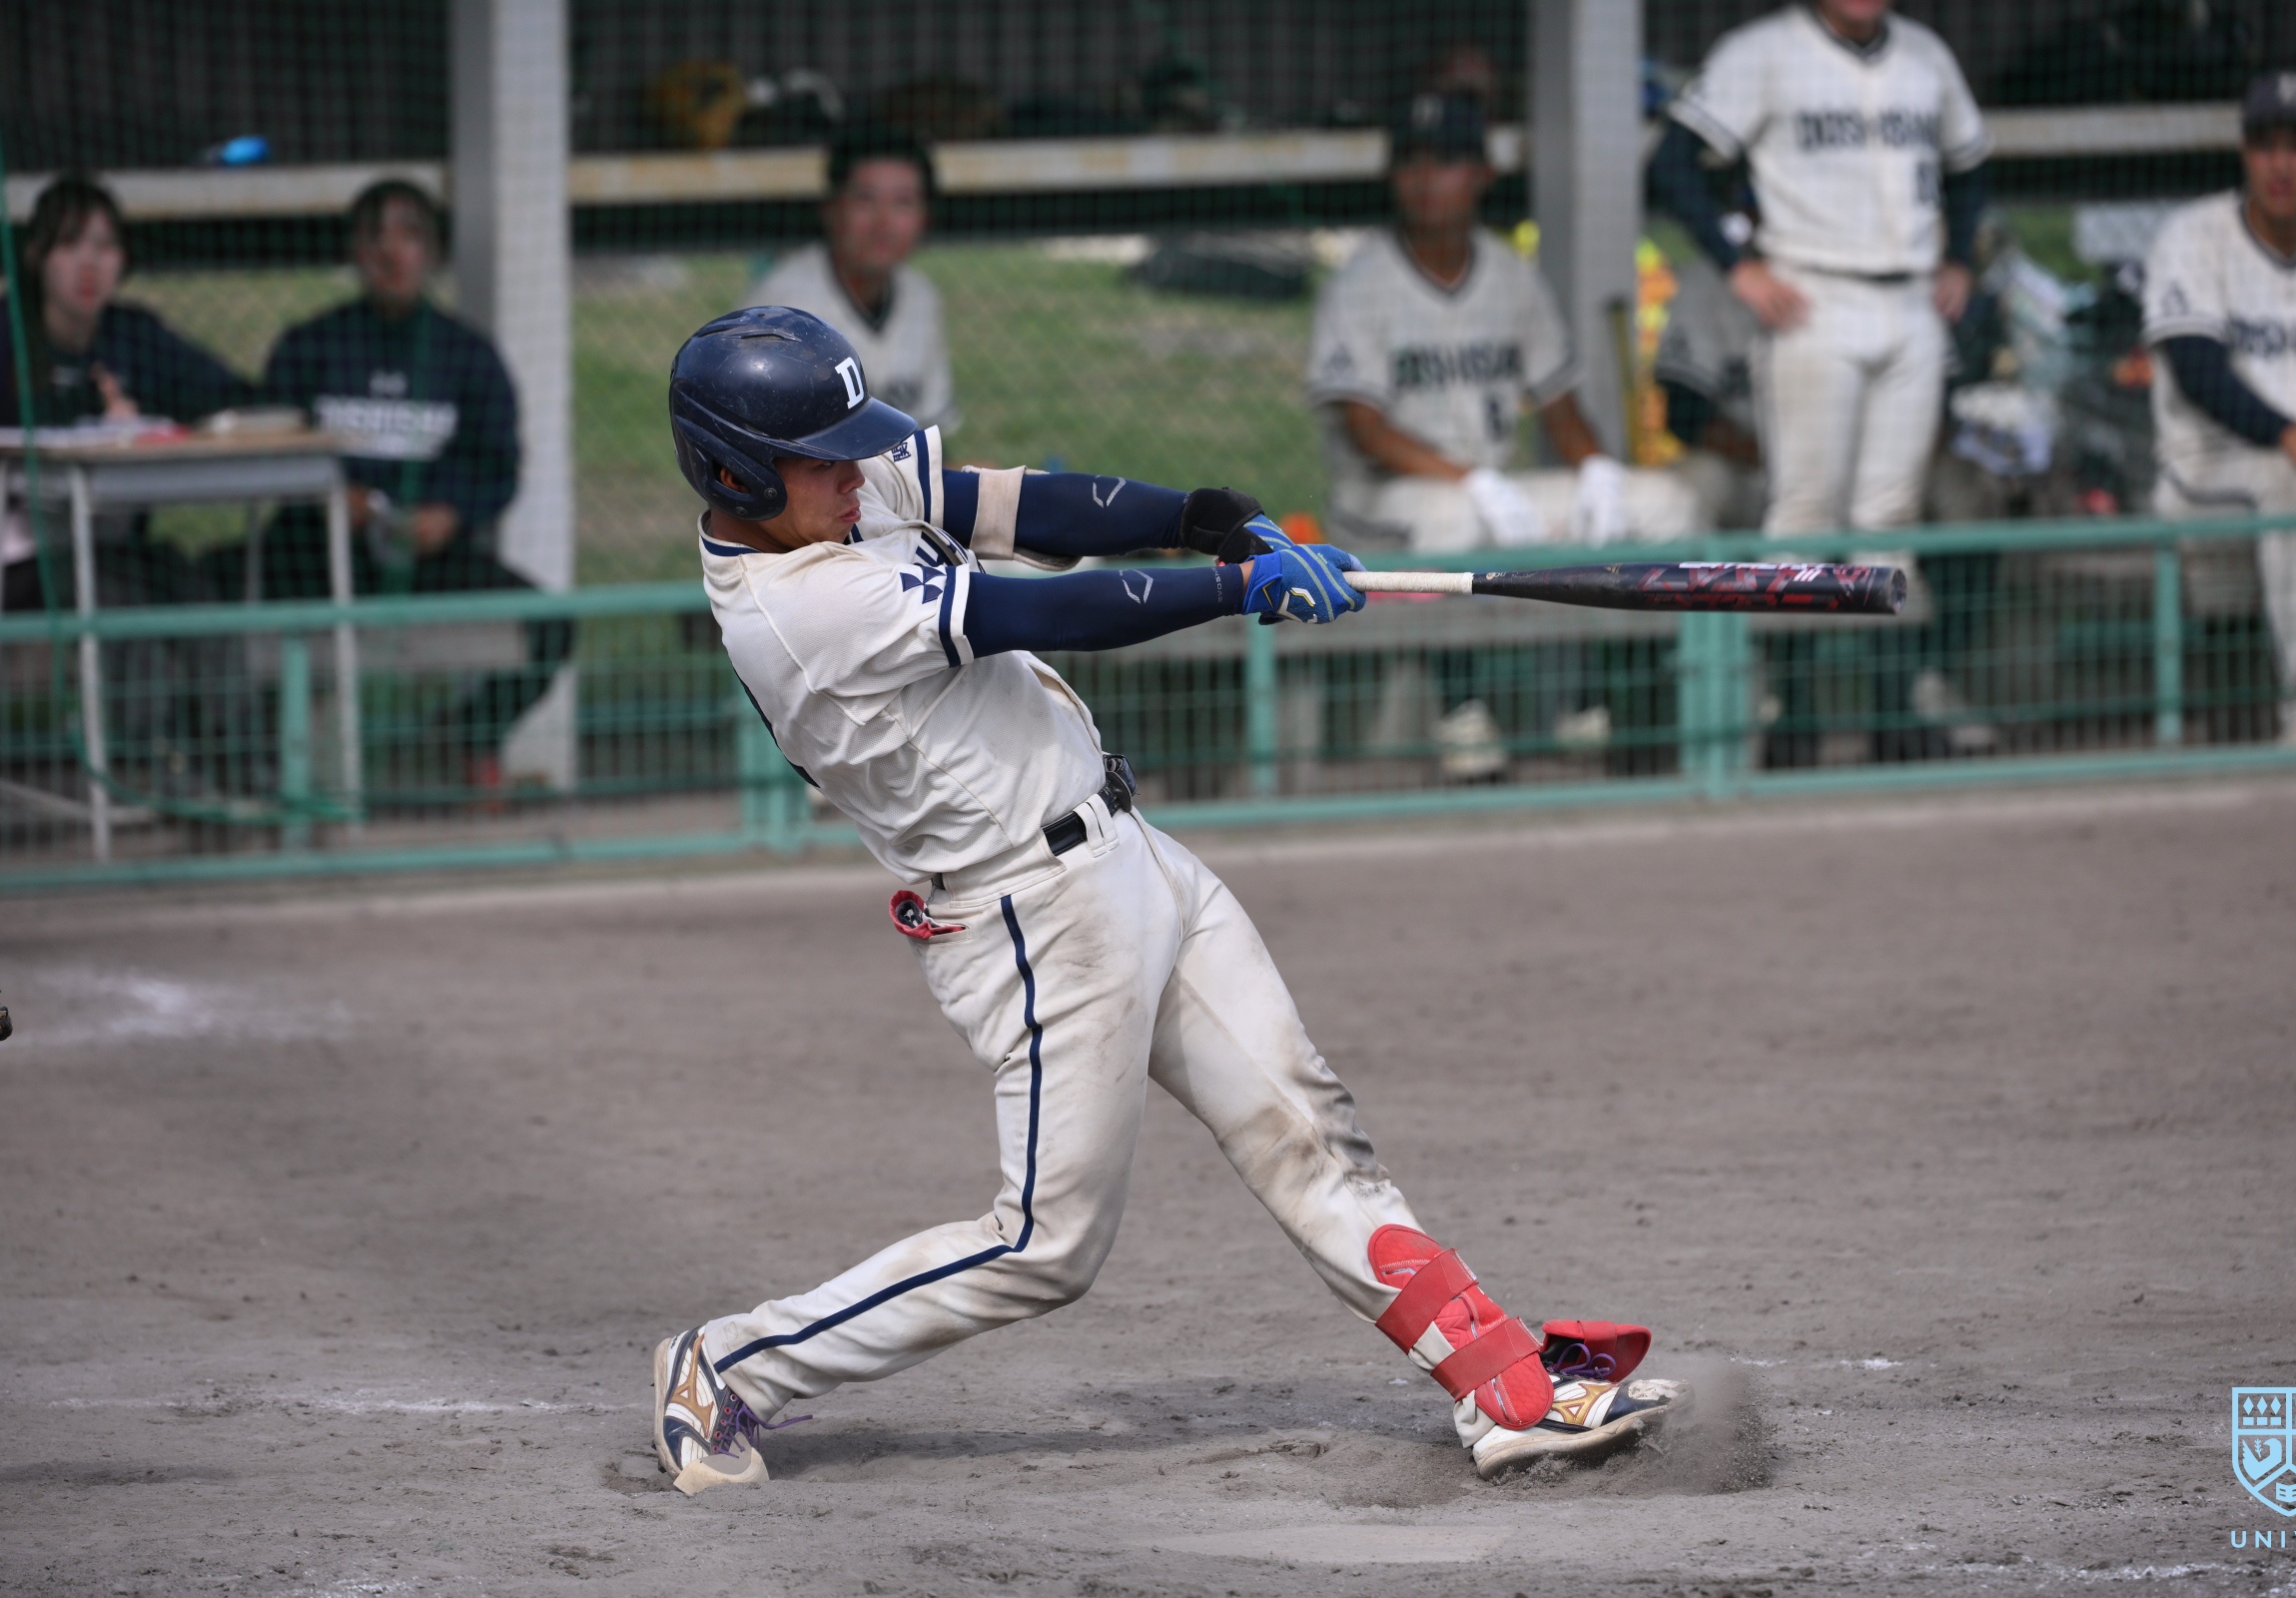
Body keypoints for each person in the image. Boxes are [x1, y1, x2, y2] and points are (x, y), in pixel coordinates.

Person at [647, 306, 1687, 1494]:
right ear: (735, 472)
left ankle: (1501, 1382)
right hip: (1030, 921)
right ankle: (730, 1363)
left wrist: (1201, 513)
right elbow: (1045, 611)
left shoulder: (829, 494)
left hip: (1130, 854)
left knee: (1305, 1126)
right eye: (822, 458)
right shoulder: (795, 609)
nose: (853, 472)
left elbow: (1023, 508)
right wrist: (1238, 586)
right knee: (1045, 1246)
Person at [238, 179, 569, 790]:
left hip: (427, 558)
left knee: (552, 624)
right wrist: (325, 498)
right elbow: (267, 447)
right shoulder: (309, 346)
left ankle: (470, 736)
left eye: (409, 235)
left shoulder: (467, 355)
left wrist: (450, 513)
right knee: (217, 597)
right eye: (374, 237)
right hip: (318, 555)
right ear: (354, 253)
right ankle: (260, 765)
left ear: (433, 253)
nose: (391, 252)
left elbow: (498, 467)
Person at [1648, 0, 1988, 539]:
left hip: (1911, 298)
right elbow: (1670, 162)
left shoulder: (1927, 55)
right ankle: (1794, 601)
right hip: (1814, 296)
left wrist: (1961, 259)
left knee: (1893, 514)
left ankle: (1879, 598)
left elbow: (1969, 165)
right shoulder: (1763, 50)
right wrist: (1737, 267)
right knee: (1807, 512)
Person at [1308, 92, 1701, 556]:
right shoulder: (1359, 283)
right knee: (1453, 519)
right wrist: (1473, 483)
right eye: (1410, 161)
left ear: (1483, 174)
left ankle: (1628, 613)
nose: (1426, 178)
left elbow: (1559, 407)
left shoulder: (1512, 275)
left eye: (1446, 161)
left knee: (1663, 503)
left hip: (1492, 492)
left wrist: (1598, 471)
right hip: (1379, 505)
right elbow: (1366, 431)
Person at [2143, 71, 2296, 748]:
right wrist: (2289, 434)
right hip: (2217, 470)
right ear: (2244, 151)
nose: (2281, 164)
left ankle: (1891, 695)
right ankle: (1883, 700)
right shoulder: (2194, 235)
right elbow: (2197, 371)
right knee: (1875, 526)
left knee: (1888, 519)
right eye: (2265, 145)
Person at [2, 175, 251, 613]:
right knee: (115, 592)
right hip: (22, 557)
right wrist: (89, 411)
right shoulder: (9, 334)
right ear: (36, 255)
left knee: (185, 582)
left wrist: (147, 420)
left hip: (113, 545)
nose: (89, 264)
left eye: (105, 246)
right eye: (69, 244)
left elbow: (231, 393)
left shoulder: (135, 335)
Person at [743, 128, 956, 431]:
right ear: (830, 209)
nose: (883, 223)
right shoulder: (780, 308)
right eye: (865, 199)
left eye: (903, 202)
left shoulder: (921, 297)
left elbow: (930, 431)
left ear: (925, 218)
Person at [1654, 238, 1766, 532]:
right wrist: (1762, 455)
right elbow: (1684, 416)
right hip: (1743, 466)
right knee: (1690, 487)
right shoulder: (1705, 280)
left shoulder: (1837, 282)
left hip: (1818, 465)